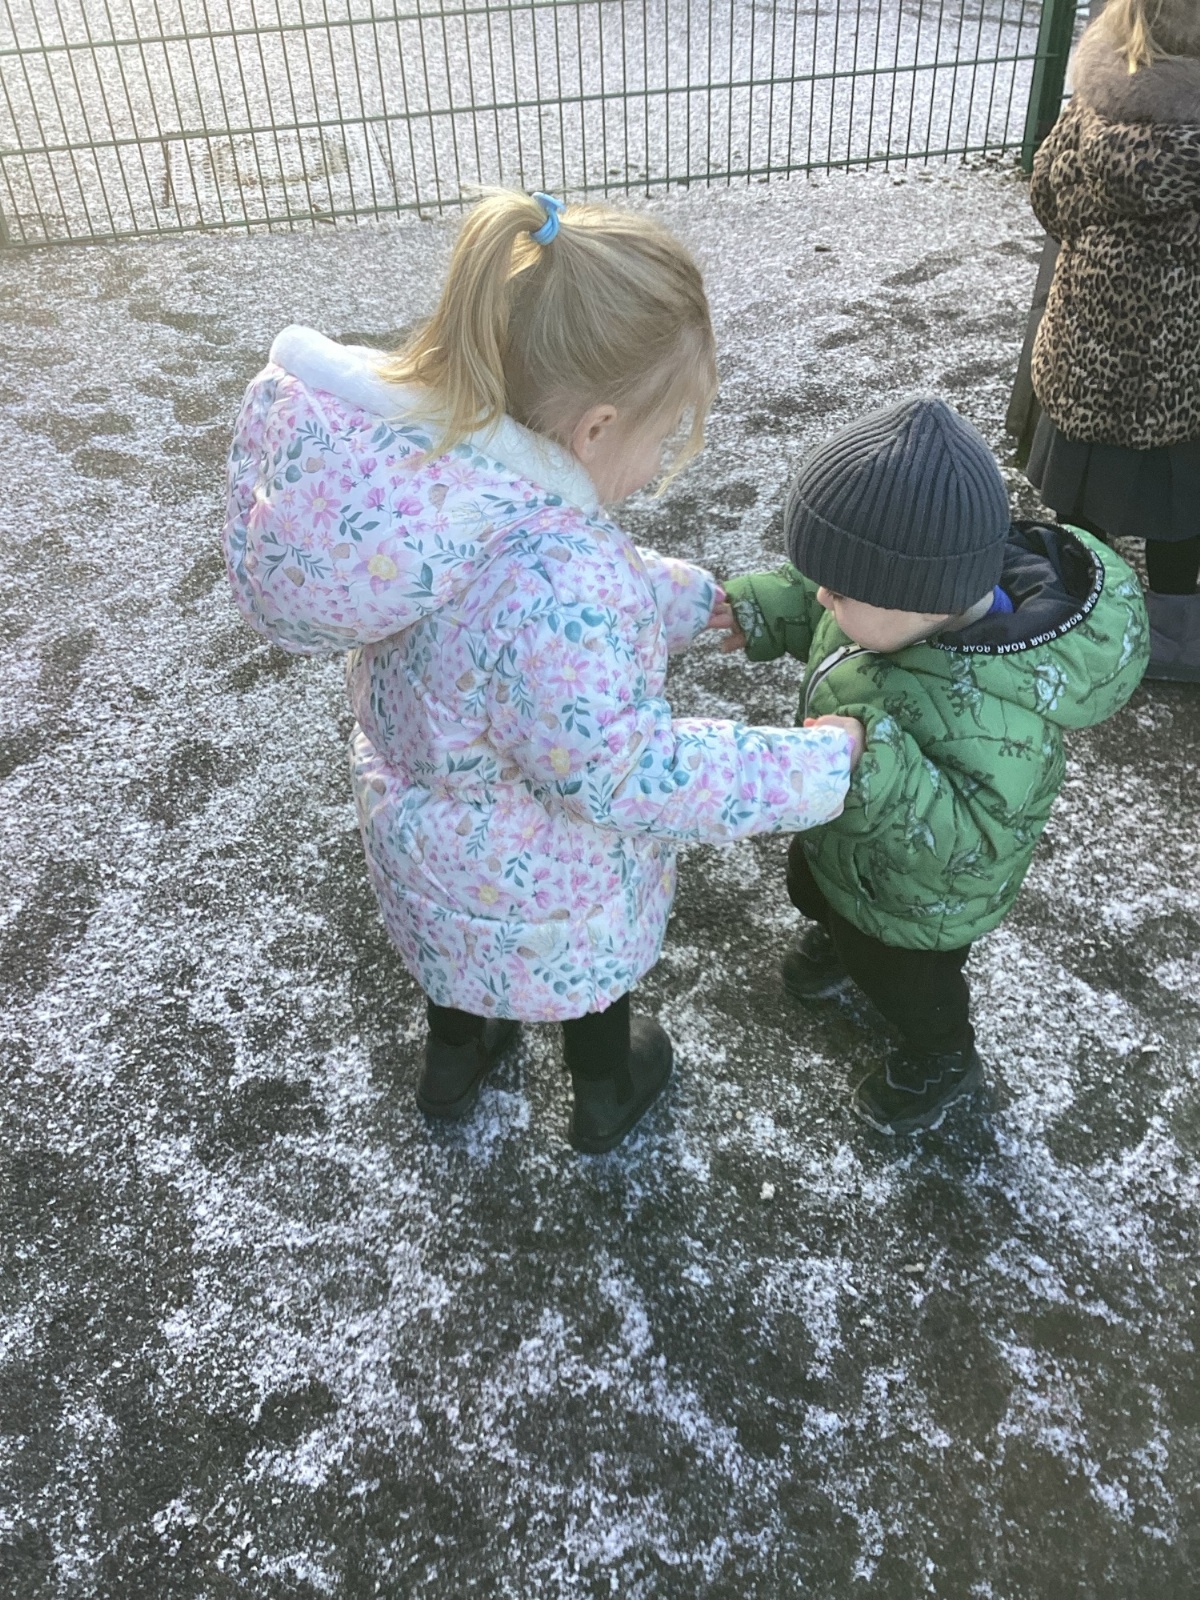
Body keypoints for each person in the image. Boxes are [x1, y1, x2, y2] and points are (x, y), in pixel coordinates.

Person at [222, 190, 863, 1154]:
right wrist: (813, 766)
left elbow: (530, 612)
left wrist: (693, 602)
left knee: (461, 955)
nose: (657, 462)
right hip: (547, 879)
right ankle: (606, 1087)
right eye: (663, 436)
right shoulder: (563, 571)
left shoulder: (436, 495)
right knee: (581, 975)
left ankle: (456, 1060)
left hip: (431, 843)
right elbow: (626, 771)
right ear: (596, 428)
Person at [715, 397, 1148, 1135]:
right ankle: (838, 936)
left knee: (907, 984)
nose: (822, 595)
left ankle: (942, 1055)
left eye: (838, 588)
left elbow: (970, 840)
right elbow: (818, 604)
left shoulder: (999, 715)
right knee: (810, 887)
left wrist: (872, 767)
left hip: (920, 904)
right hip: (844, 837)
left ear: (920, 597)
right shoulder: (890, 606)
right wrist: (759, 607)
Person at [1026, 0, 1200, 681]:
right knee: (1179, 511)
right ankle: (1177, 637)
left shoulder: (1092, 106)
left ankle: (1079, 619)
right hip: (1179, 382)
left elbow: (1047, 198)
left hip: (1084, 364)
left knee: (1080, 503)